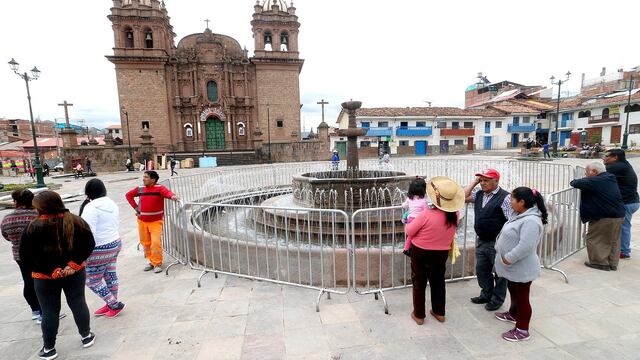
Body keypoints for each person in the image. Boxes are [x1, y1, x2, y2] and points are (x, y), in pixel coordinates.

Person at [19, 190, 96, 360]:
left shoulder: (32, 227)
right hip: (74, 273)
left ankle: (49, 349)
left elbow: (26, 257)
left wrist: (51, 270)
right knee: (78, 302)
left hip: (45, 278)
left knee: (49, 312)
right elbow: (89, 244)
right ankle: (86, 336)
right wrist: (73, 265)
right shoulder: (77, 221)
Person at [406, 176, 464, 325]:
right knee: (438, 281)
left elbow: (410, 230)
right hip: (441, 253)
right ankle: (439, 312)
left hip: (420, 252)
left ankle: (419, 315)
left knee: (419, 282)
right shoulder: (454, 215)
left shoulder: (426, 215)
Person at [494, 187, 547, 342]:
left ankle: (522, 330)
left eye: (512, 199)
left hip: (521, 267)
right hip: (513, 267)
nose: (510, 202)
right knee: (514, 291)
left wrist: (508, 258)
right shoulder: (519, 214)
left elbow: (526, 246)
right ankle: (513, 314)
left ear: (522, 202)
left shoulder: (531, 221)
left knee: (522, 297)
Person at [464, 168, 512, 311]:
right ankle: (486, 293)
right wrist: (474, 182)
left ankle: (497, 299)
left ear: (496, 181)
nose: (482, 183)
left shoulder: (505, 197)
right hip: (482, 240)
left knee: (500, 273)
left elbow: (512, 221)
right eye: (481, 180)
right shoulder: (479, 194)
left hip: (497, 242)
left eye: (486, 180)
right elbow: (461, 197)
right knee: (482, 270)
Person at [79, 179, 125, 318]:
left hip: (99, 248)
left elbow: (87, 232)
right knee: (109, 274)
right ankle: (112, 302)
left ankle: (114, 304)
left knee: (91, 280)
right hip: (114, 243)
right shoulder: (111, 202)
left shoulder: (91, 207)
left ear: (88, 192)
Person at [570, 162, 625, 271]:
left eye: (586, 172)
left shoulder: (596, 180)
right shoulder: (610, 177)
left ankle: (599, 263)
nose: (585, 175)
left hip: (605, 216)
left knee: (595, 239)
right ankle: (612, 263)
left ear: (594, 172)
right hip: (618, 214)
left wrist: (583, 179)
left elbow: (575, 183)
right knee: (613, 240)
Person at [125, 171, 179, 273]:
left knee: (155, 243)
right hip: (142, 221)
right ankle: (151, 261)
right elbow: (128, 195)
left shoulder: (159, 188)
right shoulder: (140, 188)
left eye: (146, 177)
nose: (143, 179)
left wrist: (173, 196)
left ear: (153, 180)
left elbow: (167, 193)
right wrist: (136, 208)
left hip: (156, 222)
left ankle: (157, 263)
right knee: (146, 243)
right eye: (144, 177)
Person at [1, 190, 41, 322]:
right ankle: (46, 310)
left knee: (28, 282)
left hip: (19, 256)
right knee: (42, 282)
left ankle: (35, 310)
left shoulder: (7, 218)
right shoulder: (38, 215)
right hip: (39, 255)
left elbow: (6, 236)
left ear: (16, 201)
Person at [603, 149, 640, 259]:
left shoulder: (615, 167)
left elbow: (600, 178)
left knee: (623, 227)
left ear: (615, 158)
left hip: (627, 202)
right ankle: (621, 248)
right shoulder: (624, 165)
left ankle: (624, 251)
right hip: (632, 201)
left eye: (607, 156)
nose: (604, 158)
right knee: (623, 226)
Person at [402, 177, 429, 254]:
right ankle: (410, 248)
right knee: (418, 235)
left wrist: (402, 205)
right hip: (419, 220)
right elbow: (426, 210)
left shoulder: (410, 199)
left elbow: (404, 205)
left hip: (410, 219)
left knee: (410, 235)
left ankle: (408, 248)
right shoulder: (423, 200)